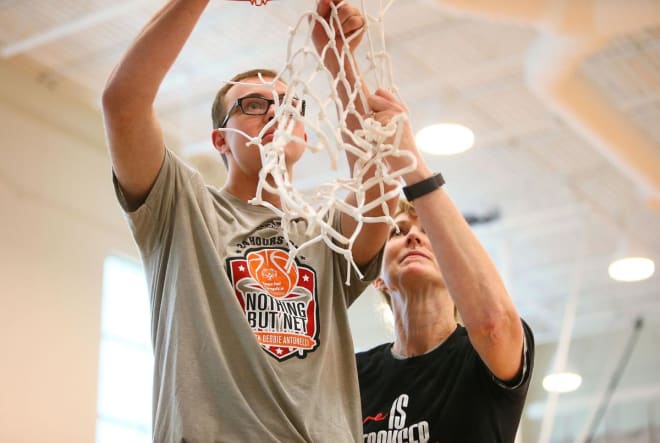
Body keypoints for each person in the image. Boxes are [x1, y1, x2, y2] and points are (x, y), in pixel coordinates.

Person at [101, 0, 398, 441]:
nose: (277, 112)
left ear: (304, 132)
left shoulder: (327, 234)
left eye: (288, 103)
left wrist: (337, 57)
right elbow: (122, 101)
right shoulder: (181, 207)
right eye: (254, 105)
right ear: (220, 139)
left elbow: (381, 190)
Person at [355, 94, 534, 442]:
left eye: (427, 232)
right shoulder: (355, 375)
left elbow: (493, 323)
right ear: (377, 277)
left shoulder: (479, 355)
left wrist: (411, 164)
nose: (414, 239)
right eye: (398, 231)